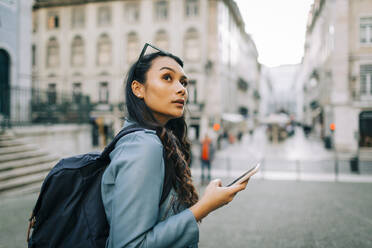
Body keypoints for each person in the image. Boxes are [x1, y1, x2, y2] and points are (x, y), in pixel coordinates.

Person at [101, 43, 248, 248]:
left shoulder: (149, 138)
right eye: (167, 77)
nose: (182, 89)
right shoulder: (144, 147)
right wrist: (205, 206)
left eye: (184, 82)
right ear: (138, 88)